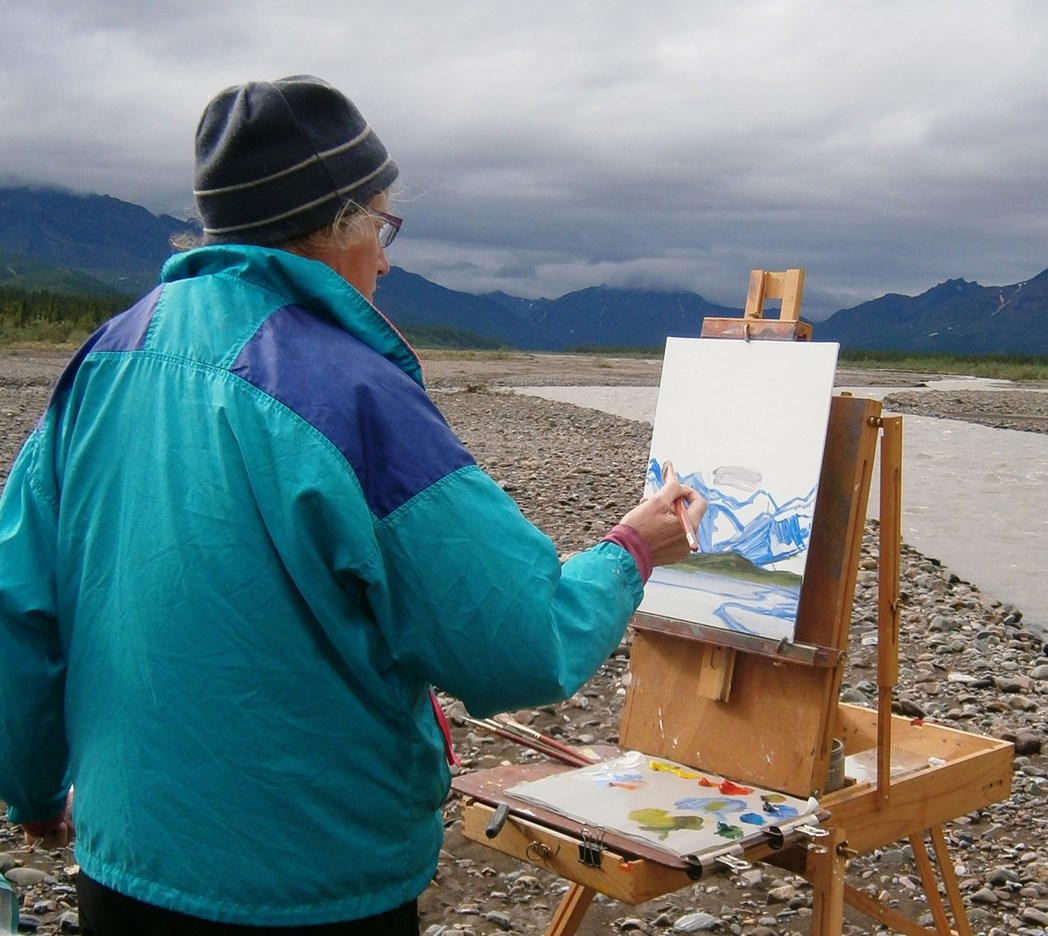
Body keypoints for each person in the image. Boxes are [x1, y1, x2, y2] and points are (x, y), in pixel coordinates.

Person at [0, 75, 705, 935]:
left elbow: (20, 609)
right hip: (311, 885)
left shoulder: (105, 357)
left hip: (125, 863)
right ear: (334, 228)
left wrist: (32, 785)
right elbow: (519, 642)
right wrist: (631, 548)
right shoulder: (350, 394)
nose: (385, 256)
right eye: (382, 223)